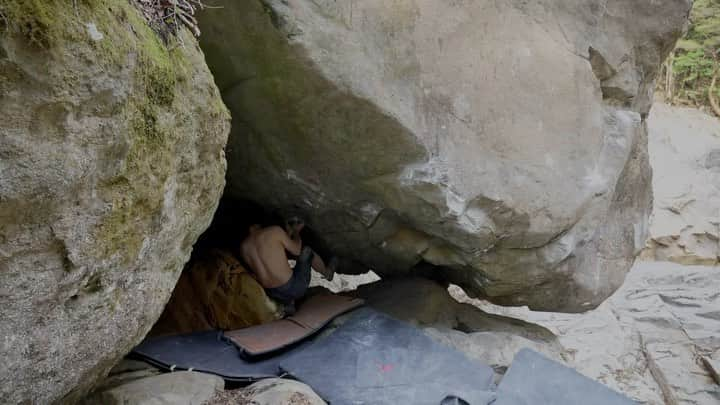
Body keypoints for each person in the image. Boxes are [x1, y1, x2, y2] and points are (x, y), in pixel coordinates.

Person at [240, 217, 336, 312]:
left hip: (273, 294)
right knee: (307, 251)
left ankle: (288, 304)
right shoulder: (274, 231)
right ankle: (327, 273)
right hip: (294, 287)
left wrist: (288, 234)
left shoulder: (244, 247)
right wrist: (296, 232)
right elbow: (297, 250)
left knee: (282, 274)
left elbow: (272, 257)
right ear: (257, 224)